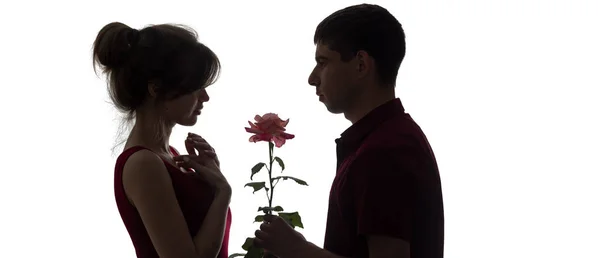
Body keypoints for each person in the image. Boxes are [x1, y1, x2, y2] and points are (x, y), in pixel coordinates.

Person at [254, 4, 444, 258]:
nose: (312, 78)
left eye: (323, 62)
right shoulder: (389, 140)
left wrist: (298, 251)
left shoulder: (385, 151)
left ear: (361, 65)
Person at [92, 22, 232, 258]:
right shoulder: (143, 164)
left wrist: (212, 179)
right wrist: (222, 192)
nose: (205, 97)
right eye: (196, 87)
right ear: (156, 89)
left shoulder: (171, 157)